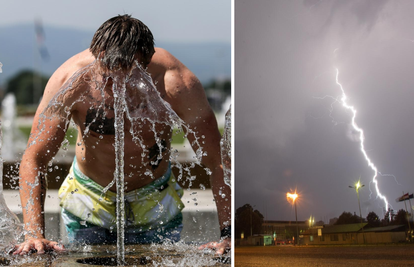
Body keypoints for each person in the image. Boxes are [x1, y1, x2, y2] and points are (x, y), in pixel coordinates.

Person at [13, 15, 231, 255]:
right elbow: (34, 158)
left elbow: (217, 161)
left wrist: (229, 236)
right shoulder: (70, 82)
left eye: (128, 77)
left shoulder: (177, 83)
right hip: (89, 200)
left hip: (155, 201)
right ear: (97, 56)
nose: (116, 86)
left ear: (146, 64)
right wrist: (34, 235)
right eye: (107, 76)